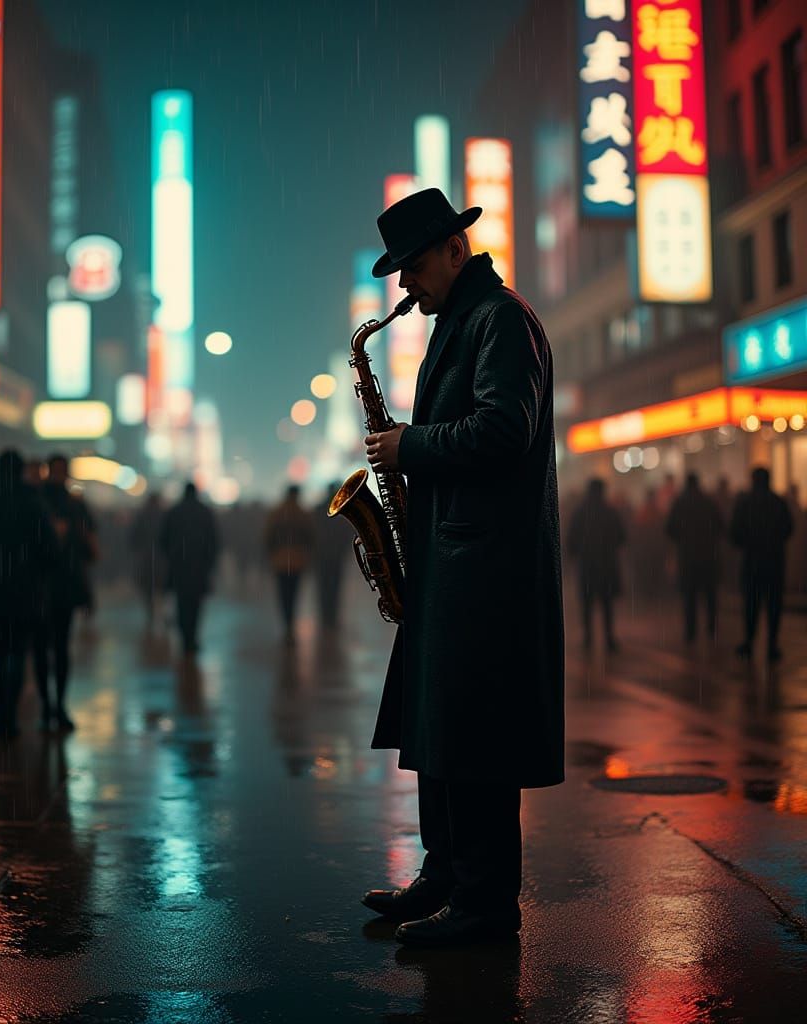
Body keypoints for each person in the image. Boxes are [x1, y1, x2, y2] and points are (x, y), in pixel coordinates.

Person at [358, 188, 564, 947]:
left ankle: (484, 908)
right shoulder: (467, 319)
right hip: (456, 569)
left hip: (485, 577)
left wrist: (409, 447)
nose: (404, 286)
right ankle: (444, 874)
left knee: (475, 743)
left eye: (411, 267)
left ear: (453, 249)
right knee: (441, 729)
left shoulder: (500, 318)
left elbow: (502, 431)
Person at [0, 449, 57, 738]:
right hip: (27, 590)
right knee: (17, 651)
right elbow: (49, 550)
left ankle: (0, 707)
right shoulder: (34, 505)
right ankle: (9, 711)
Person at [33, 454, 96, 731]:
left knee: (42, 650)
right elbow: (88, 548)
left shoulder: (36, 501)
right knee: (59, 648)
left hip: (41, 585)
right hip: (64, 584)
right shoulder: (74, 505)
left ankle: (49, 707)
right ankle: (57, 705)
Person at [731, 467, 793, 662]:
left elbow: (735, 533)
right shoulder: (778, 502)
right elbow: (788, 528)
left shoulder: (745, 503)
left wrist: (748, 543)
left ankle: (749, 641)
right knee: (774, 605)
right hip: (774, 562)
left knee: (751, 604)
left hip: (752, 563)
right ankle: (772, 644)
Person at [566, 478, 625, 653]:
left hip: (587, 566)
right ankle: (609, 639)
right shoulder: (609, 511)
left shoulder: (580, 513)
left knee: (587, 604)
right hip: (606, 565)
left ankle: (588, 639)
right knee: (607, 605)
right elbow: (621, 537)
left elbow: (571, 540)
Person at [159, 482, 218, 656]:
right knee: (196, 605)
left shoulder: (174, 512)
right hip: (200, 567)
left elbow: (163, 539)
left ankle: (185, 639)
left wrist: (173, 556)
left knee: (182, 603)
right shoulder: (205, 512)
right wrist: (209, 563)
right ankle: (192, 638)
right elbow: (213, 541)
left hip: (179, 566)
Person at [665, 472, 723, 644]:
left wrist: (683, 539)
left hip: (688, 557)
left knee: (689, 596)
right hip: (708, 556)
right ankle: (711, 628)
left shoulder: (680, 503)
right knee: (710, 595)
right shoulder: (709, 502)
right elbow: (721, 526)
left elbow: (670, 529)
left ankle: (691, 631)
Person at [263, 485, 315, 641]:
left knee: (283, 595)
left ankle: (287, 625)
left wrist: (272, 555)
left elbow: (268, 537)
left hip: (280, 560)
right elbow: (310, 538)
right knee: (294, 594)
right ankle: (290, 626)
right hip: (297, 560)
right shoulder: (303, 514)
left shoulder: (276, 513)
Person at [314, 482, 352, 630]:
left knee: (323, 587)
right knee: (335, 586)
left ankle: (325, 616)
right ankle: (332, 616)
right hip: (336, 555)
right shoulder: (342, 510)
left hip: (322, 555)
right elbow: (346, 533)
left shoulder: (318, 510)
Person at [128, 491, 166, 629]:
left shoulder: (141, 516)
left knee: (147, 589)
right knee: (161, 588)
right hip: (161, 559)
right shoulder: (164, 516)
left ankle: (150, 614)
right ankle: (161, 612)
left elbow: (133, 538)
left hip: (145, 558)